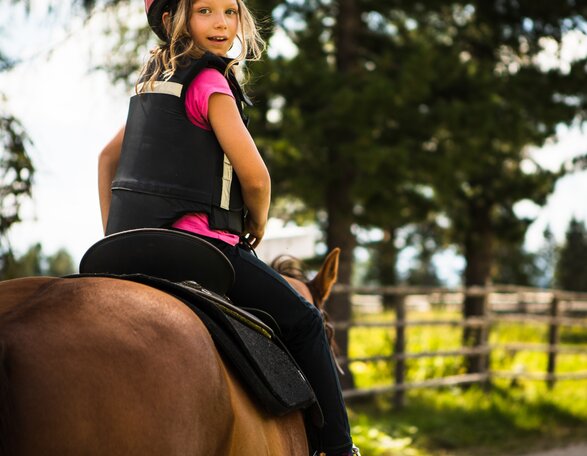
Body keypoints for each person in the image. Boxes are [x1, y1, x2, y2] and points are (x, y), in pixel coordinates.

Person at [98, 0, 359, 455]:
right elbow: (256, 177)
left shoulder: (150, 87)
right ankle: (338, 450)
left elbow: (106, 160)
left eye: (229, 11)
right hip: (201, 248)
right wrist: (256, 223)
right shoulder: (210, 80)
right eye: (204, 10)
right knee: (305, 322)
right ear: (171, 20)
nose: (221, 23)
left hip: (127, 248)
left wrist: (116, 234)